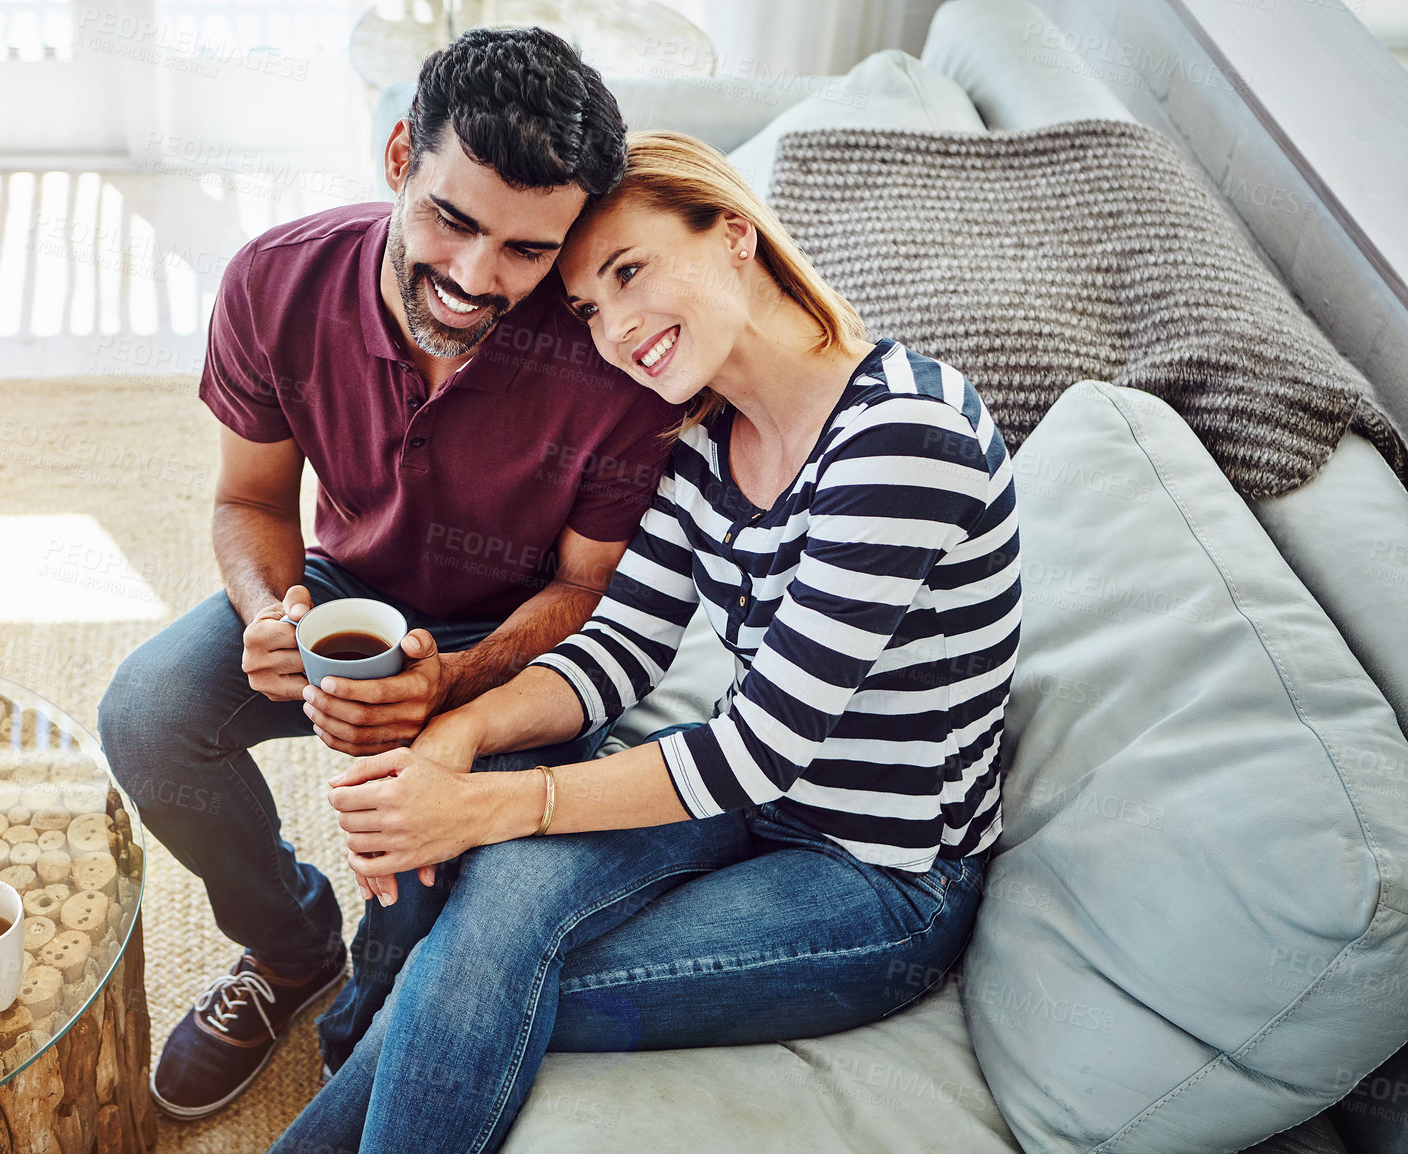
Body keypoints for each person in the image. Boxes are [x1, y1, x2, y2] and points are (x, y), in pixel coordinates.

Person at [272, 130, 1023, 1154]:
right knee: (493, 913)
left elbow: (758, 745)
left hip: (881, 877)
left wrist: (485, 801)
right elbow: (619, 644)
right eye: (589, 307)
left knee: (480, 976)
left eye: (630, 272)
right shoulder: (706, 432)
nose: (617, 330)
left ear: (733, 235)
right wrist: (457, 729)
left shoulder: (904, 439)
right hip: (746, 807)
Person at [98, 30, 683, 1121]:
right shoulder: (275, 280)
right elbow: (248, 501)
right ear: (399, 153)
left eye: (525, 250)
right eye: (452, 219)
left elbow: (588, 592)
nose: (472, 280)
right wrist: (272, 609)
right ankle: (288, 944)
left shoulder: (612, 360)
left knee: (426, 867)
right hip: (337, 584)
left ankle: (375, 1000)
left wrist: (449, 693)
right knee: (147, 710)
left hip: (519, 642)